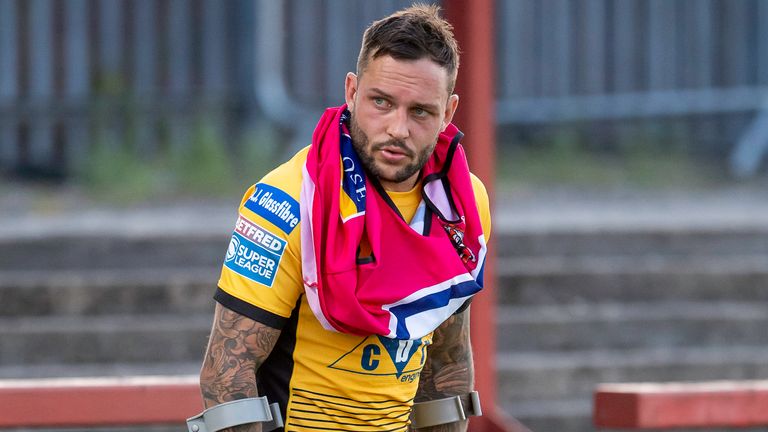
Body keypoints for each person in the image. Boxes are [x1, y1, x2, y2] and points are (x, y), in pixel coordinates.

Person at [197, 4, 491, 431]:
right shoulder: (285, 199)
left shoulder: (464, 202)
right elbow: (227, 375)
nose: (398, 128)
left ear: (448, 113)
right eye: (381, 102)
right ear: (351, 92)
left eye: (421, 112)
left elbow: (446, 367)